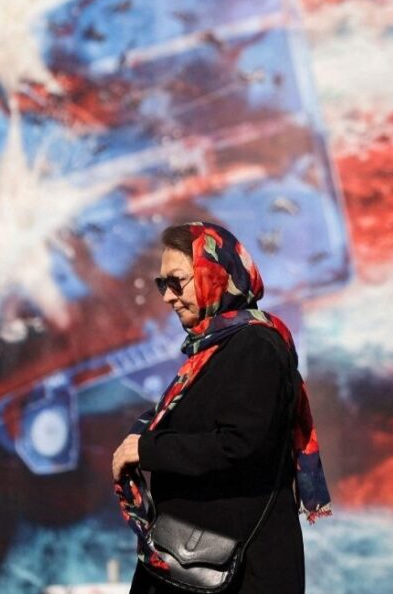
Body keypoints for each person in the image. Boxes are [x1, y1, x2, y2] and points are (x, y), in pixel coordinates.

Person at [112, 222, 332, 594]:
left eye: (177, 281)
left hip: (238, 572)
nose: (167, 296)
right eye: (161, 284)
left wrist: (146, 449)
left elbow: (241, 443)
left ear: (213, 274)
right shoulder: (213, 348)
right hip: (196, 562)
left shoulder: (256, 346)